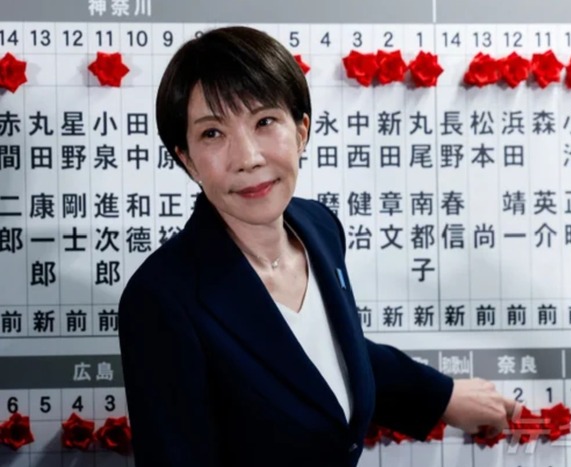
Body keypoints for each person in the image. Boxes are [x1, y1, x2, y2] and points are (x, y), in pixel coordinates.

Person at [118, 26, 518, 467]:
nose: (248, 157)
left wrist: (442, 396)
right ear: (187, 159)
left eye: (264, 122)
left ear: (301, 129)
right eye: (213, 133)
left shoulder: (318, 227)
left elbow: (325, 352)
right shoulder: (161, 299)